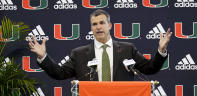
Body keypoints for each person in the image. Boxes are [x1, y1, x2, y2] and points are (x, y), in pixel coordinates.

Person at [28, 9, 172, 81]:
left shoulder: (128, 49)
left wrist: (161, 50)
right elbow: (59, 74)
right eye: (94, 24)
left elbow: (150, 68)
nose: (98, 27)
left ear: (109, 25)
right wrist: (43, 57)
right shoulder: (79, 54)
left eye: (102, 23)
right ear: (91, 28)